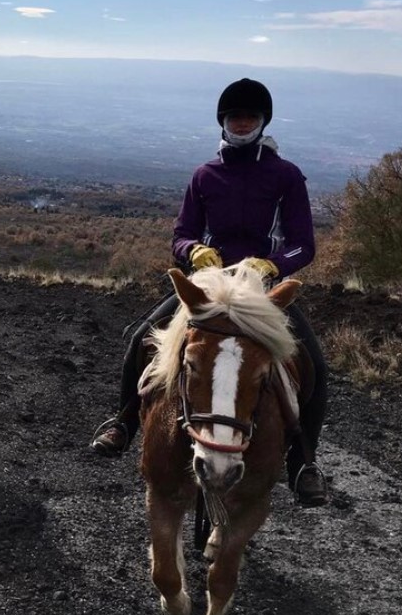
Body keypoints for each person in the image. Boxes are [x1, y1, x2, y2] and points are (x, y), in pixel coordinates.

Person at [90, 78, 329, 507]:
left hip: (260, 293)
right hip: (208, 287)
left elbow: (303, 244)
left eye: (249, 117)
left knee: (315, 364)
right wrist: (194, 250)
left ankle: (304, 461)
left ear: (261, 122)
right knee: (140, 339)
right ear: (223, 122)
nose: (241, 123)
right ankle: (124, 421)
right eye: (234, 117)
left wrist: (274, 263)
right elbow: (181, 235)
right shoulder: (205, 175)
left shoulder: (286, 176)